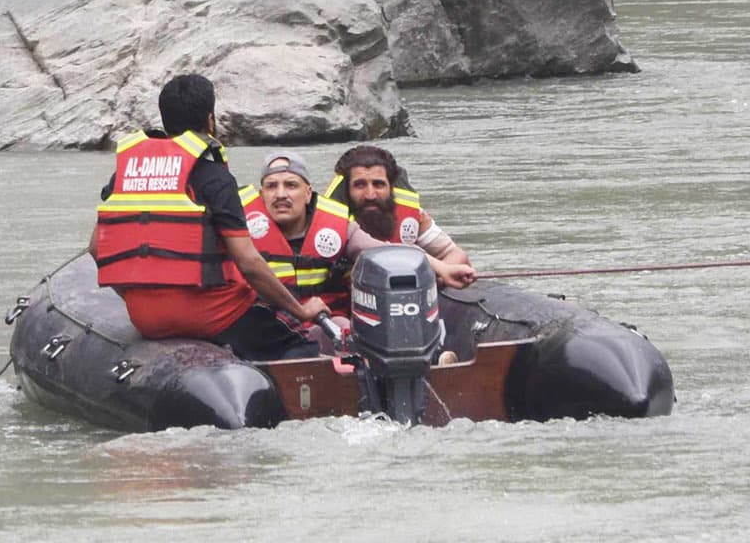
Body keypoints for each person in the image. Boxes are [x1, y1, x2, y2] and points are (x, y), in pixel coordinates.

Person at [89, 72, 326, 357]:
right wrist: (301, 309)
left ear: (164, 121)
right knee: (302, 348)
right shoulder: (214, 178)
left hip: (146, 319)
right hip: (214, 317)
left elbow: (96, 248)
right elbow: (249, 262)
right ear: (210, 120)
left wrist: (137, 298)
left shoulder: (125, 175)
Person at [323, 145, 477, 285]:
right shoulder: (326, 226)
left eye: (378, 184)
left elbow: (456, 254)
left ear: (391, 187)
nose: (370, 195)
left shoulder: (413, 217)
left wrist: (433, 277)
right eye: (360, 185)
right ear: (346, 190)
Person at [241, 154, 361, 320]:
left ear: (308, 193)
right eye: (271, 186)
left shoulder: (341, 228)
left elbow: (381, 252)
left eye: (291, 185)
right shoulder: (238, 232)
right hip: (267, 329)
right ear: (261, 195)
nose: (280, 194)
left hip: (328, 323)